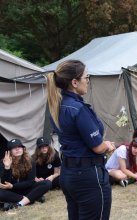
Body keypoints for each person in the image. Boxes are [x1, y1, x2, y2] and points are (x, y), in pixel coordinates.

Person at [47, 60, 115, 220]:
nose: (88, 81)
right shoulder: (78, 109)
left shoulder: (56, 106)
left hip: (69, 174)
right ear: (75, 82)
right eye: (86, 77)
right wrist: (107, 144)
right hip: (88, 177)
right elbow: (97, 147)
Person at [0, 139, 51, 211]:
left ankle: (19, 203)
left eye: (19, 147)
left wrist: (13, 186)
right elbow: (5, 183)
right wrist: (7, 167)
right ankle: (31, 198)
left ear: (23, 149)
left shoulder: (30, 161)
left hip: (26, 188)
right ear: (10, 151)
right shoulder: (4, 162)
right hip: (12, 191)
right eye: (14, 148)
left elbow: (30, 181)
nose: (17, 149)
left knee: (47, 183)